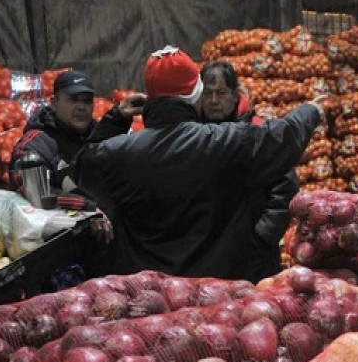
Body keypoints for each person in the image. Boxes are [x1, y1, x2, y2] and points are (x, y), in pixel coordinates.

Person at [70, 46, 323, 279]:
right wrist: (311, 110)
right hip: (218, 286)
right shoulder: (227, 141)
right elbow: (284, 136)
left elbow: (82, 167)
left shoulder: (117, 154)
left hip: (150, 291)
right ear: (196, 94)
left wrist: (115, 118)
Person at [9, 70, 145, 243]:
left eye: (87, 101)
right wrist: (86, 208)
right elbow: (37, 195)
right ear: (54, 102)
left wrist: (119, 116)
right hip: (56, 245)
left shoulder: (94, 136)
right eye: (73, 100)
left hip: (104, 242)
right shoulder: (35, 144)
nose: (81, 107)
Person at [198, 60, 298, 282]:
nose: (214, 101)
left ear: (235, 95)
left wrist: (262, 236)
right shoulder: (193, 134)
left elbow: (285, 188)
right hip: (206, 255)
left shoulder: (259, 130)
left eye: (221, 93)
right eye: (208, 93)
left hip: (253, 256)